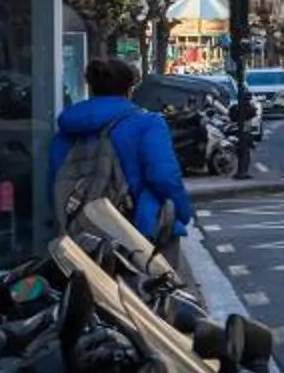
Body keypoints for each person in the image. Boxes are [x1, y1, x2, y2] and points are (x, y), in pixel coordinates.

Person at [49, 58, 196, 244]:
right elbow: (164, 177)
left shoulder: (67, 129)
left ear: (91, 88)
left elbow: (55, 179)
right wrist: (182, 213)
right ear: (129, 89)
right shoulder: (147, 124)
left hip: (77, 234)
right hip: (137, 233)